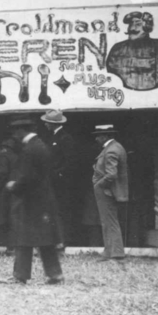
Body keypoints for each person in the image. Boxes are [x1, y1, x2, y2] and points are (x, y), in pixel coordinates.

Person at [0, 118, 63, 285]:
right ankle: (54, 274)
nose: (15, 136)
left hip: (29, 201)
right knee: (45, 239)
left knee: (22, 238)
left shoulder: (30, 149)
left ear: (21, 131)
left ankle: (20, 275)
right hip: (43, 200)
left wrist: (14, 185)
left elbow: (28, 177)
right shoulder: (40, 145)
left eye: (16, 132)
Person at [41, 110, 82, 246]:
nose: (45, 124)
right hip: (53, 181)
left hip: (62, 182)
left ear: (53, 123)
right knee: (55, 210)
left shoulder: (65, 138)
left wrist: (58, 174)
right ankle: (57, 239)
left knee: (63, 210)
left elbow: (70, 162)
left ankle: (65, 240)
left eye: (47, 122)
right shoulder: (52, 137)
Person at [91, 124, 129, 261]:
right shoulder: (115, 147)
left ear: (105, 136)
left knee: (109, 221)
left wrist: (98, 185)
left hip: (107, 191)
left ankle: (116, 252)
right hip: (109, 191)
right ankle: (110, 251)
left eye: (98, 136)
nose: (96, 139)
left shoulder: (111, 150)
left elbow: (111, 174)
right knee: (108, 221)